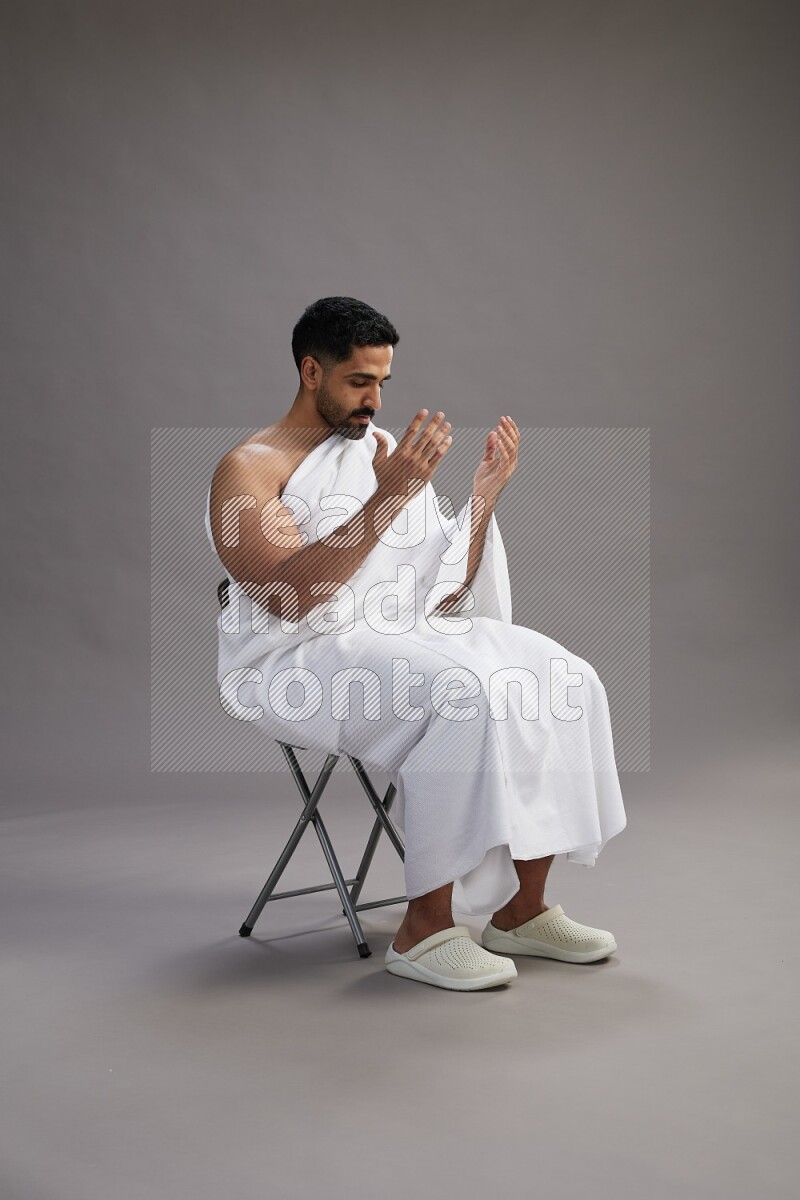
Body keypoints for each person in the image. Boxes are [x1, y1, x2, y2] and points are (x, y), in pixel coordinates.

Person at [205, 296, 627, 991]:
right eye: (358, 382)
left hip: (398, 631)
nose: (375, 401)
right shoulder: (248, 469)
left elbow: (438, 591)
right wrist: (389, 496)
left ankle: (521, 911)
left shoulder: (378, 453)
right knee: (462, 694)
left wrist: (483, 497)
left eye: (382, 382)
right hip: (296, 658)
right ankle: (423, 930)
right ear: (311, 371)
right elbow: (290, 597)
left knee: (565, 677)